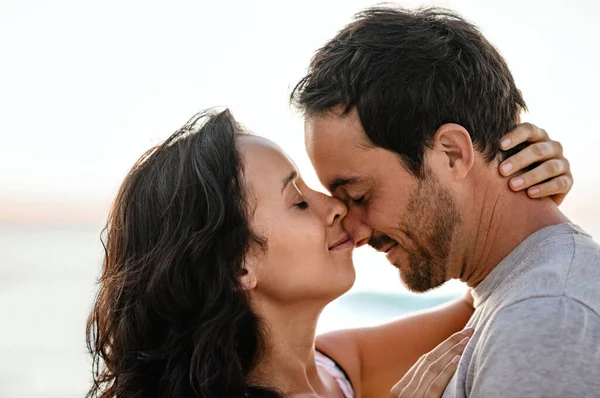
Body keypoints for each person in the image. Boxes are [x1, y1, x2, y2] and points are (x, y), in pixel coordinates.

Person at [86, 108, 573, 398]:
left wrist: (514, 187)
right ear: (239, 263)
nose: (334, 206)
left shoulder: (336, 370)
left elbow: (484, 291)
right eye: (298, 200)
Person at [291, 6, 599, 397]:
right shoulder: (519, 303)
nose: (354, 229)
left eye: (359, 195)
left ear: (452, 153)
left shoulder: (543, 320)